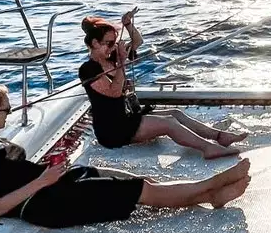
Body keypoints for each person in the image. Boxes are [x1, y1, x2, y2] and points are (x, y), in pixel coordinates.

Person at [0, 86, 249, 225]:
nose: (10, 114)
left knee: (142, 180)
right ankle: (212, 185)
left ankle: (212, 196)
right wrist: (42, 181)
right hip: (45, 204)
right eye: (5, 110)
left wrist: (47, 172)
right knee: (141, 191)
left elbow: (15, 173)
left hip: (55, 183)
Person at [79, 13, 244, 156]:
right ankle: (209, 149)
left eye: (113, 42)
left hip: (128, 115)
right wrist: (122, 63)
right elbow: (113, 92)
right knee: (169, 123)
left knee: (176, 113)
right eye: (108, 43)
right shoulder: (88, 70)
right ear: (94, 43)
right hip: (113, 129)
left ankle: (219, 137)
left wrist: (128, 24)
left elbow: (137, 41)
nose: (112, 47)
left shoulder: (111, 58)